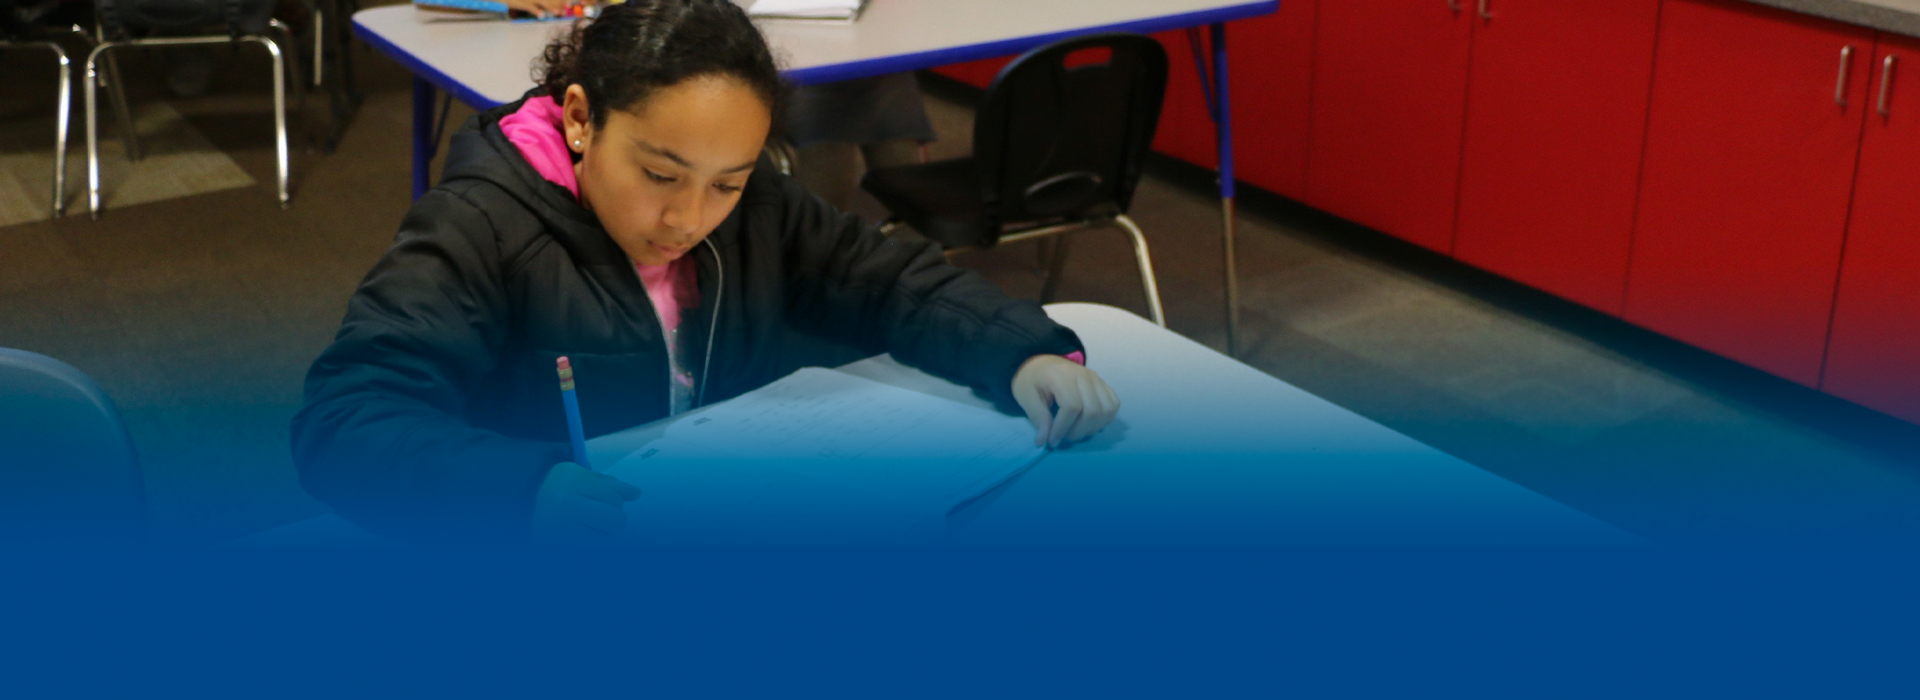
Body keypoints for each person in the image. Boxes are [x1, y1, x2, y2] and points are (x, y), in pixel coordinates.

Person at [291, 0, 1120, 543]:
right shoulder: (481, 226)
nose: (689, 217)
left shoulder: (755, 203)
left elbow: (886, 278)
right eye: (660, 175)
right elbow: (345, 421)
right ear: (581, 118)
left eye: (725, 181)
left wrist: (1020, 350)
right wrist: (519, 492)